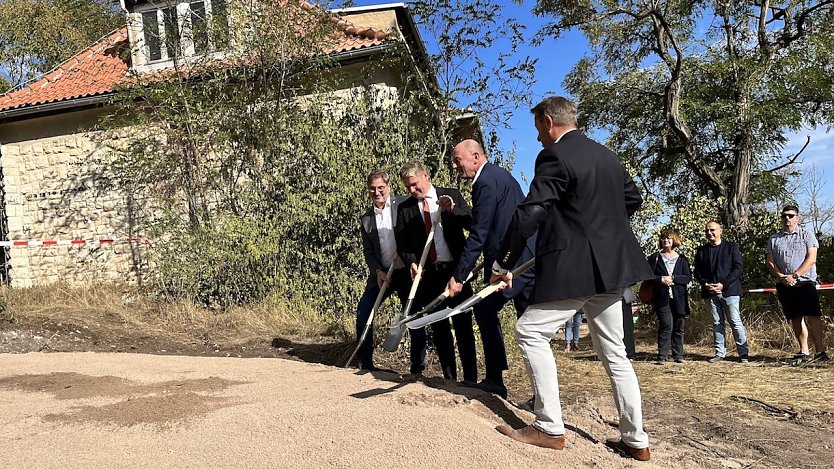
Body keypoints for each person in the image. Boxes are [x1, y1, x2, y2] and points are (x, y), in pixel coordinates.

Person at [491, 96, 652, 461]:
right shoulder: (607, 155)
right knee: (615, 353)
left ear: (548, 121)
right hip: (612, 269)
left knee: (530, 331)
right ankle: (636, 440)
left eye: (537, 130)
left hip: (575, 269)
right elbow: (633, 198)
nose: (538, 139)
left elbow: (531, 211)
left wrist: (503, 262)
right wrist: (597, 226)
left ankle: (548, 427)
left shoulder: (554, 156)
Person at [445, 139, 535, 398]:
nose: (454, 165)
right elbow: (483, 221)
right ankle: (539, 394)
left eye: (457, 160)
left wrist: (459, 276)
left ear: (475, 157)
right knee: (529, 326)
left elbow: (479, 234)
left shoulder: (485, 182)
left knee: (484, 308)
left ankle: (495, 379)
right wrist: (456, 213)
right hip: (522, 259)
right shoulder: (498, 176)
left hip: (511, 264)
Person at [395, 161, 478, 381]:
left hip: (457, 272)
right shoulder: (405, 209)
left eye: (414, 185)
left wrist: (452, 209)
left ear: (425, 176)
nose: (412, 191)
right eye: (407, 188)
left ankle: (470, 379)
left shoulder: (451, 196)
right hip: (429, 275)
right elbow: (402, 243)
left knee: (463, 326)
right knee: (440, 329)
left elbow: (472, 222)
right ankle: (449, 379)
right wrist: (412, 261)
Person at [354, 170, 411, 371]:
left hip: (405, 272)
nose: (377, 192)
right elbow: (368, 251)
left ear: (388, 187)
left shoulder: (403, 205)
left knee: (411, 315)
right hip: (381, 274)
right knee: (364, 312)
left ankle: (417, 369)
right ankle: (365, 363)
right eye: (373, 188)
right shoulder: (366, 219)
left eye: (381, 188)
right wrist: (377, 270)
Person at [766, 205, 829, 364]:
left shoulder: (807, 235)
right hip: (785, 284)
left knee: (813, 316)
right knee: (795, 317)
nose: (787, 218)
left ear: (797, 218)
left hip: (805, 282)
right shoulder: (774, 239)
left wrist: (795, 275)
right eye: (784, 216)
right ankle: (804, 351)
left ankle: (820, 351)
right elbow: (770, 261)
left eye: (791, 215)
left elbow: (811, 258)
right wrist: (781, 276)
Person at [694, 221, 749, 364]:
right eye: (706, 231)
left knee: (735, 321)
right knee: (717, 322)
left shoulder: (731, 247)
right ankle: (719, 353)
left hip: (730, 292)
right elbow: (697, 271)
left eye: (712, 230)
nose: (709, 233)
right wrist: (705, 283)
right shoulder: (701, 251)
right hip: (710, 293)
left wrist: (723, 284)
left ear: (720, 231)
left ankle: (743, 354)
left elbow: (738, 268)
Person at [647, 230, 691, 364]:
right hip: (661, 298)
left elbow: (687, 278)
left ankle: (678, 355)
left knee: (679, 326)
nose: (666, 241)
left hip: (679, 298)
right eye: (664, 238)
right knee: (666, 325)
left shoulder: (682, 259)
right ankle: (662, 356)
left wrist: (673, 278)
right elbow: (648, 276)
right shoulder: (654, 258)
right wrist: (661, 279)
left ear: (675, 241)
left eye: (669, 239)